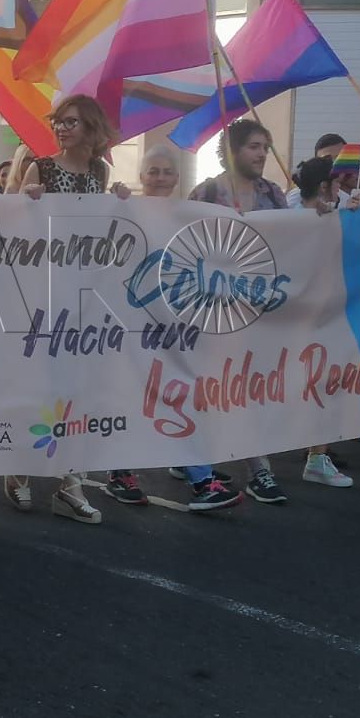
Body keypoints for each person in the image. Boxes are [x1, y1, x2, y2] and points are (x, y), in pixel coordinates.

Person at [11, 94, 131, 522]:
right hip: (42, 296)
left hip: (85, 298)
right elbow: (5, 225)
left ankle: (68, 481)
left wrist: (119, 200)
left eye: (72, 122)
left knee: (75, 389)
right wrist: (27, 200)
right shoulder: (39, 168)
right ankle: (25, 468)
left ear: (92, 129)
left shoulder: (100, 173)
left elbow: (103, 231)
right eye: (58, 122)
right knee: (42, 385)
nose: (62, 129)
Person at [134, 144, 243, 511]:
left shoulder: (191, 216)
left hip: (178, 323)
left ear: (178, 178)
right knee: (131, 395)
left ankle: (200, 476)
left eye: (167, 171)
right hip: (129, 324)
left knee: (180, 393)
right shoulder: (123, 211)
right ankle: (123, 472)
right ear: (141, 177)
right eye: (153, 171)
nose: (160, 177)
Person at [187, 119, 289, 504]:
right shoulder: (208, 191)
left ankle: (255, 470)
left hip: (258, 309)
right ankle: (219, 467)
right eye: (253, 146)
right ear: (232, 151)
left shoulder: (274, 194)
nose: (262, 153)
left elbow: (297, 239)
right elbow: (182, 239)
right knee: (215, 391)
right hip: (212, 310)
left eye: (265, 146)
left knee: (249, 392)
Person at [291, 157, 353, 489]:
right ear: (324, 186)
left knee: (324, 386)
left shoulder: (334, 218)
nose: (343, 187)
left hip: (323, 317)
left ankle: (316, 457)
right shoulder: (295, 221)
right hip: (296, 320)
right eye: (338, 182)